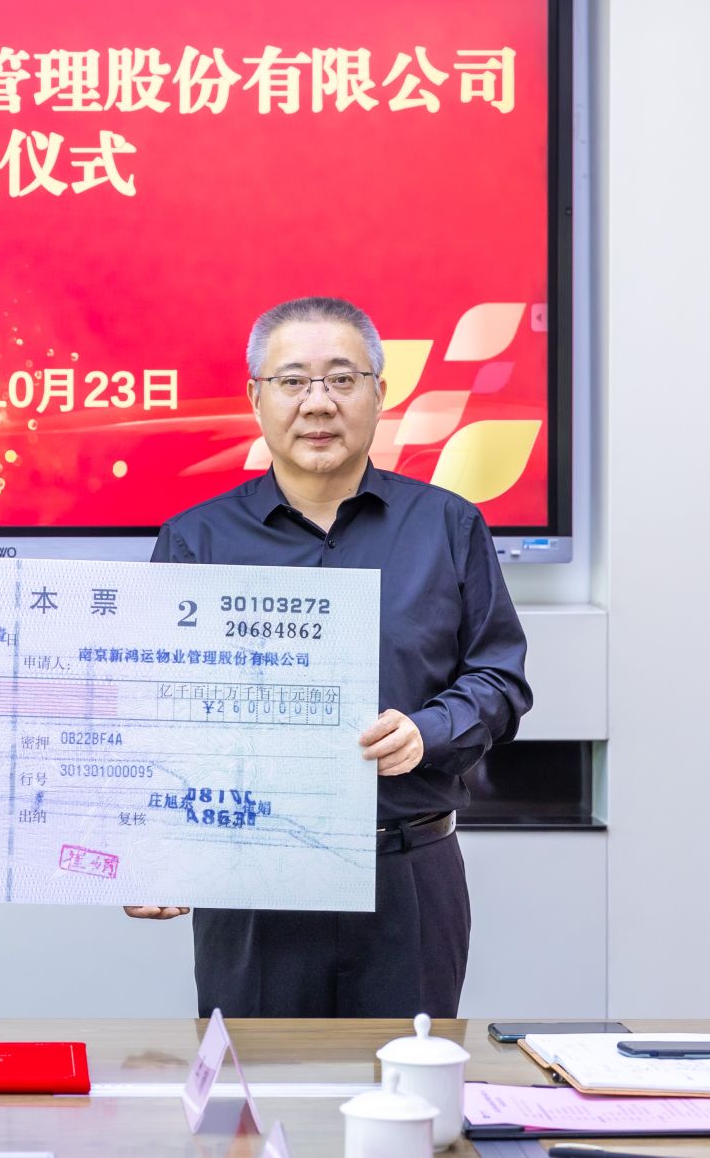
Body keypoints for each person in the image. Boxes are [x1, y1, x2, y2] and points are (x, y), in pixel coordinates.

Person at [127, 295, 531, 1018]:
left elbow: (499, 680)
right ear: (256, 397)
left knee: (407, 1085)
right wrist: (156, 846)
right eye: (292, 381)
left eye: (342, 379)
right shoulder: (197, 541)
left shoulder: (449, 526)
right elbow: (158, 712)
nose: (318, 403)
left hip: (407, 873)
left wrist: (428, 731)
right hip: (251, 880)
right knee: (255, 1087)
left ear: (381, 392)